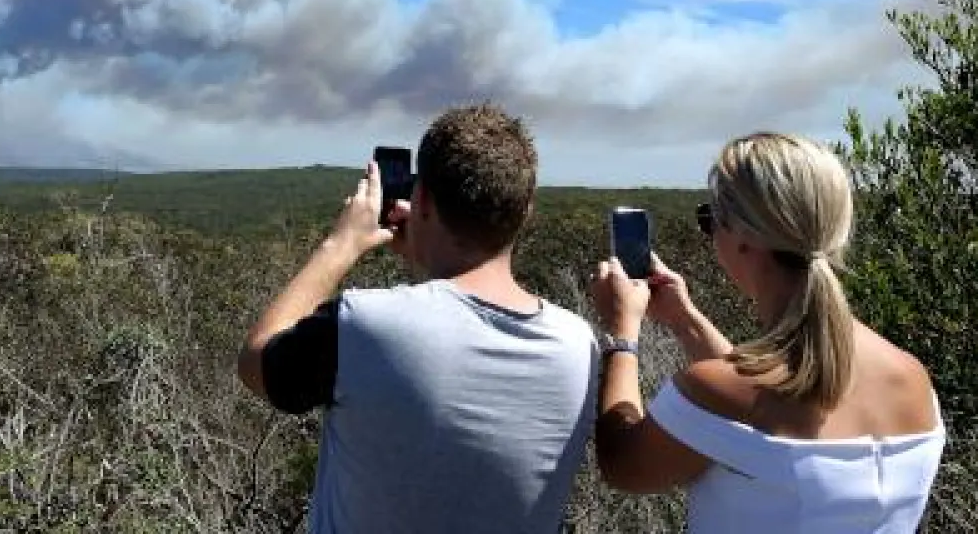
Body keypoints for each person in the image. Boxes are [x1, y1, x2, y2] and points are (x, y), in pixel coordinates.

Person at [236, 104, 599, 534]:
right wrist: (431, 257)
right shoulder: (580, 345)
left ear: (421, 198)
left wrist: (340, 245)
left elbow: (256, 363)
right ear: (526, 211)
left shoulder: (363, 325)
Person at [590, 131, 946, 533]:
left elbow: (623, 464)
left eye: (710, 220)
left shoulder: (717, 393)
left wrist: (622, 333)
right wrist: (684, 319)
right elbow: (752, 402)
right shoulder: (913, 380)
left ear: (745, 238)